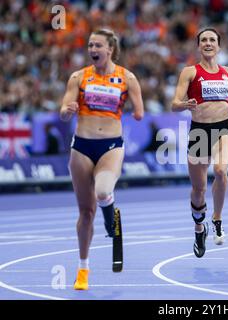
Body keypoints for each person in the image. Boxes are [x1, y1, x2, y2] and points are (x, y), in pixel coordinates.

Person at [60, 28, 144, 290]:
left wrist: (125, 102)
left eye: (97, 46)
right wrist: (68, 110)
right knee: (85, 213)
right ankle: (83, 269)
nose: (92, 50)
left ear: (110, 49)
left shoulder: (127, 78)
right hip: (82, 147)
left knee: (104, 191)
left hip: (110, 146)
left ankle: (111, 220)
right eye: (90, 46)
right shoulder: (79, 77)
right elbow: (64, 111)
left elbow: (139, 114)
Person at [172, 28, 228, 258]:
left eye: (212, 40)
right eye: (203, 40)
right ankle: (198, 228)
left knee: (221, 170)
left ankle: (217, 218)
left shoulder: (227, 72)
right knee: (199, 189)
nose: (207, 43)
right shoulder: (189, 72)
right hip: (199, 133)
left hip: (224, 127)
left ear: (219, 46)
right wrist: (185, 104)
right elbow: (174, 103)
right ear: (198, 46)